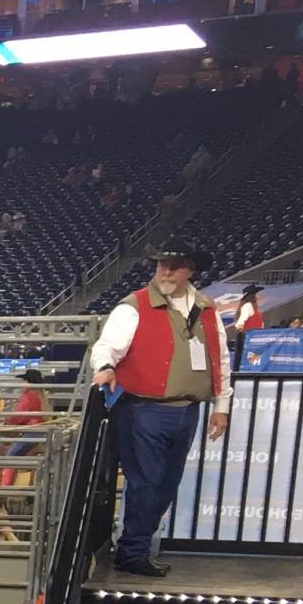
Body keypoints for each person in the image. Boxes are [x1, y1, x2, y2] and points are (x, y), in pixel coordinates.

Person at [89, 247, 230, 579]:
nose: (166, 272)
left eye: (175, 267)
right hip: (143, 408)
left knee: (166, 483)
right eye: (162, 266)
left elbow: (219, 359)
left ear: (189, 271)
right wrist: (106, 367)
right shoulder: (135, 305)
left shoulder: (206, 309)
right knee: (146, 481)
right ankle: (133, 550)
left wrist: (221, 407)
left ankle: (135, 546)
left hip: (187, 409)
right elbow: (106, 346)